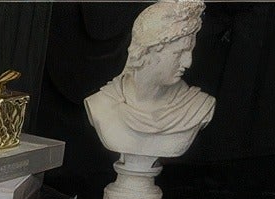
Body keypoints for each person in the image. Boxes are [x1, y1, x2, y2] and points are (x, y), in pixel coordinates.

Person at [85, 0, 216, 157]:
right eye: (179, 53)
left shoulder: (197, 107)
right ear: (147, 51)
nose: (188, 63)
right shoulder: (102, 104)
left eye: (189, 52)